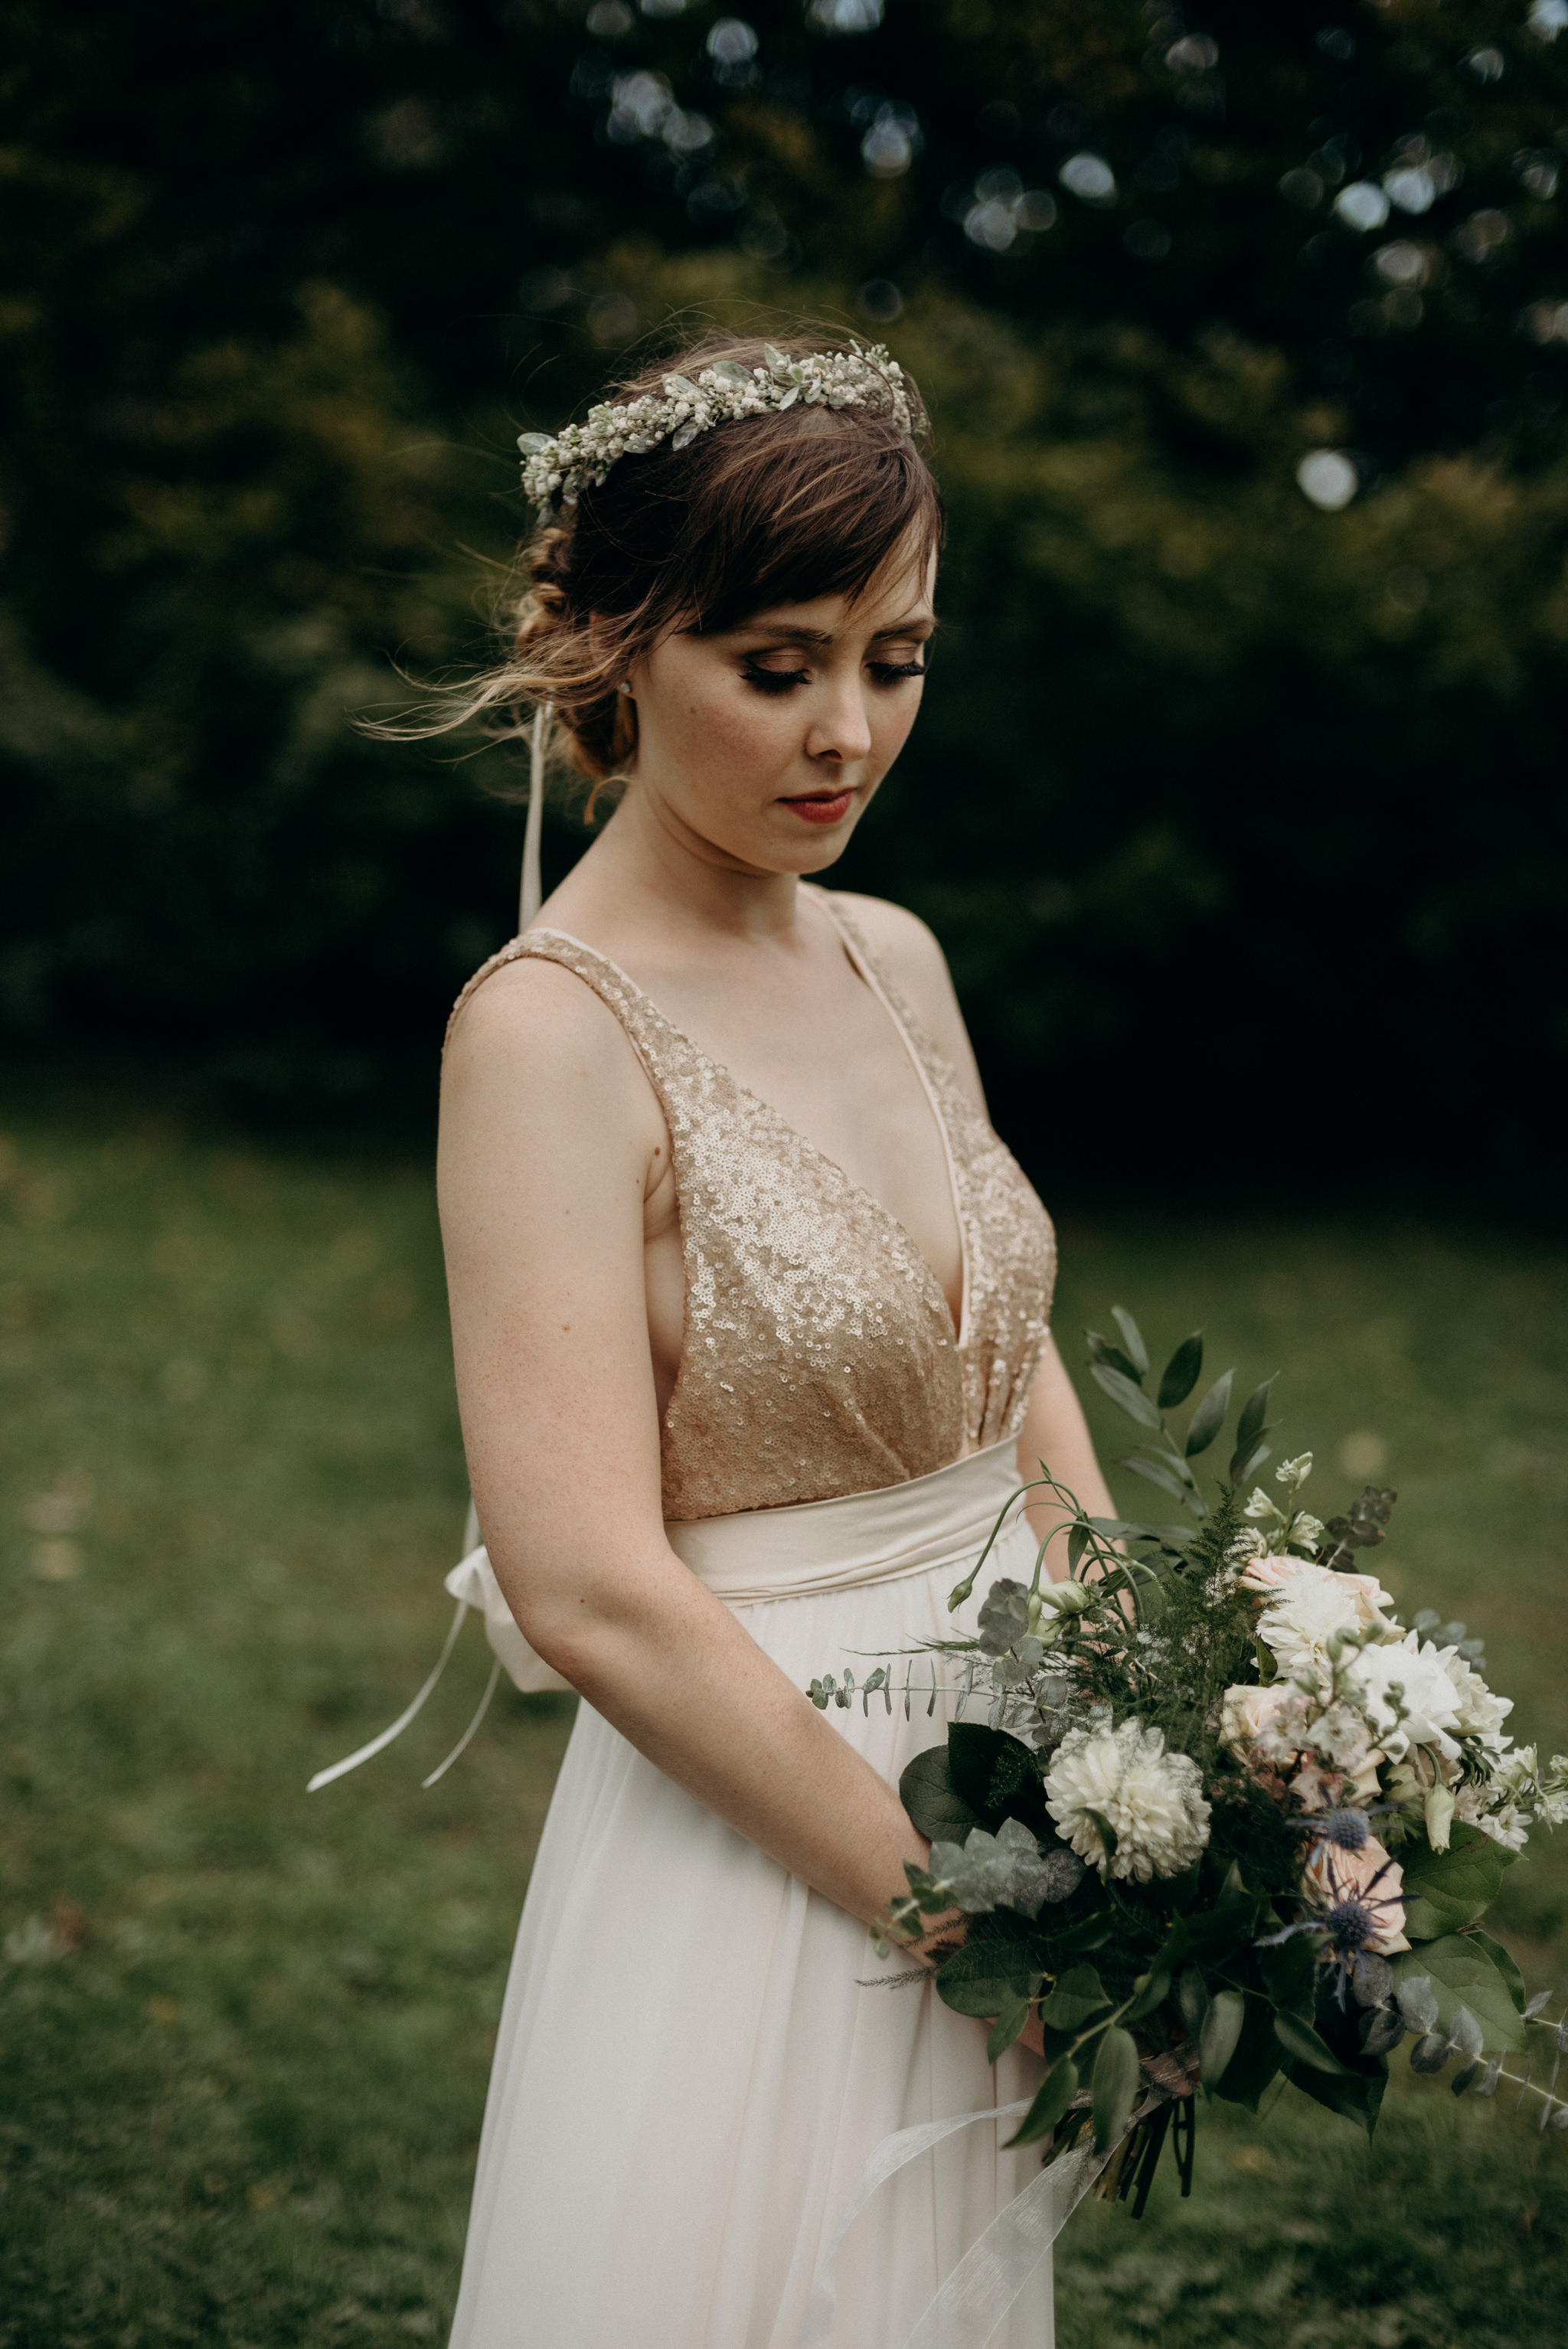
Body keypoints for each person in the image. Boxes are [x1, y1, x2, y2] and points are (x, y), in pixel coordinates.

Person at [429, 331, 1118, 2348]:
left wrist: (1156, 1713)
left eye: (894, 659)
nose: (847, 732)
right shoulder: (548, 1033)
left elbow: (1006, 1349)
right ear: (614, 642)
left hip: (1010, 1768)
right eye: (779, 661)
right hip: (768, 1836)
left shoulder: (894, 953)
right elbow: (585, 1587)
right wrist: (941, 1908)